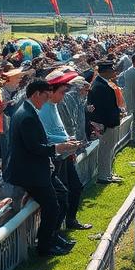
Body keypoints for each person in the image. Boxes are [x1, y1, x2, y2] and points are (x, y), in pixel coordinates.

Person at [5, 79, 79, 257]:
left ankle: (52, 237)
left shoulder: (28, 111)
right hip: (31, 173)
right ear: (36, 94)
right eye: (45, 96)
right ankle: (45, 246)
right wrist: (59, 148)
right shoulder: (27, 115)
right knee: (52, 206)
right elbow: (35, 148)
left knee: (62, 196)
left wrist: (61, 144)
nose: (47, 100)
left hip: (38, 169)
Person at [46, 69, 90, 231]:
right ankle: (56, 231)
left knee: (76, 187)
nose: (66, 94)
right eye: (63, 91)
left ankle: (70, 220)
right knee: (62, 193)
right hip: (57, 156)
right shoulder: (47, 106)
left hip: (66, 152)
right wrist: (65, 142)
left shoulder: (58, 103)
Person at [86, 60, 124, 184]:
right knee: (105, 150)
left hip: (110, 122)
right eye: (112, 69)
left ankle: (108, 173)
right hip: (106, 125)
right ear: (106, 72)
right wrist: (103, 125)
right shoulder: (99, 86)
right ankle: (103, 176)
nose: (114, 71)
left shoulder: (105, 83)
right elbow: (99, 109)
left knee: (109, 149)